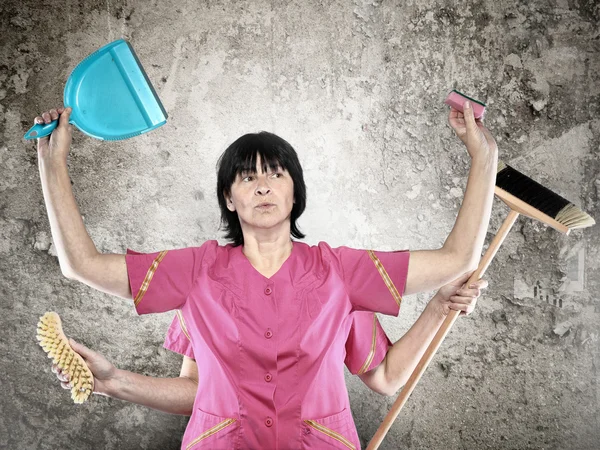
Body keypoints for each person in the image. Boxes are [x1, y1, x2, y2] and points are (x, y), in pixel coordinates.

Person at [33, 99, 496, 449]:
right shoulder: (196, 274)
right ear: (230, 199)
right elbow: (83, 265)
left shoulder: (340, 275)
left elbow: (453, 262)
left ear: (296, 194)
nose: (262, 185)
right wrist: (52, 163)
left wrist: (484, 157)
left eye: (275, 174)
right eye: (246, 177)